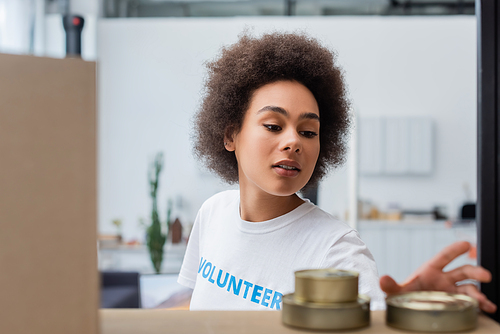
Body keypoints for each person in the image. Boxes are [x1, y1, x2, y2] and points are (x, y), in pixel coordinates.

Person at [177, 31, 496, 313]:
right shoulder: (212, 214)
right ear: (230, 135)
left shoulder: (337, 251)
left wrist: (404, 310)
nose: (293, 141)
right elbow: (198, 307)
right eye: (274, 125)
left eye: (308, 132)